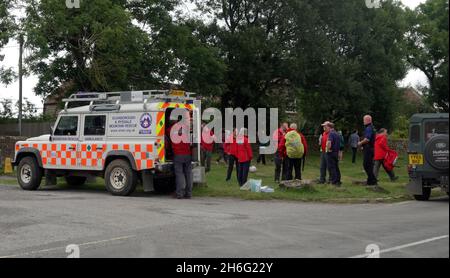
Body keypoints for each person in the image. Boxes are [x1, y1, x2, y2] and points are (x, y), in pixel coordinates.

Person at [169, 111, 193, 199]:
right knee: (188, 173)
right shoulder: (186, 127)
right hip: (187, 153)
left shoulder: (172, 128)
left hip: (178, 154)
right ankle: (189, 193)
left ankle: (179, 193)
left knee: (179, 174)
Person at [358, 115, 377, 186]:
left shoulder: (368, 128)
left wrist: (360, 143)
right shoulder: (372, 128)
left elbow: (367, 139)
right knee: (370, 165)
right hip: (371, 148)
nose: (363, 121)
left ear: (368, 120)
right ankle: (370, 181)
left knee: (366, 165)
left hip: (369, 149)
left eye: (364, 120)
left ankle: (373, 180)